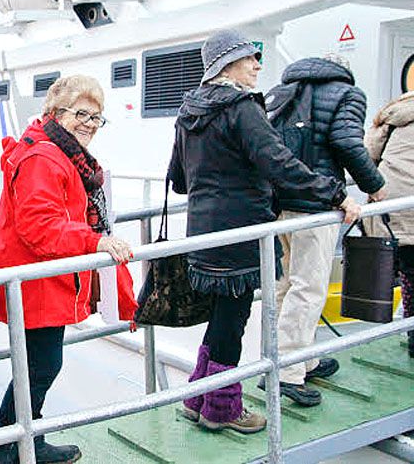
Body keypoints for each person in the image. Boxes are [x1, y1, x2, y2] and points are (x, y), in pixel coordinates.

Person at [168, 29, 360, 434]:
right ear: (227, 65)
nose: (258, 65)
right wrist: (334, 193)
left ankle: (197, 397)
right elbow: (280, 164)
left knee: (221, 315)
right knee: (232, 320)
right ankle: (222, 409)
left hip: (203, 231)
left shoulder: (189, 110)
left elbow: (179, 178)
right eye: (249, 58)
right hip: (241, 230)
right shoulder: (242, 106)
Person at [0, 75, 137, 464]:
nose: (90, 125)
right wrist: (94, 241)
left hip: (38, 277)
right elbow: (40, 225)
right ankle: (3, 450)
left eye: (97, 118)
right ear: (54, 113)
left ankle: (19, 442)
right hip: (35, 279)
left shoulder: (51, 150)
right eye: (81, 114)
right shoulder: (44, 157)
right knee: (42, 364)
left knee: (36, 365)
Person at [270, 54, 387, 405]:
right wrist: (374, 183)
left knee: (286, 284)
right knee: (309, 287)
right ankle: (288, 373)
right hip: (317, 205)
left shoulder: (283, 91)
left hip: (279, 203)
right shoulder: (347, 93)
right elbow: (347, 143)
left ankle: (300, 359)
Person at [365, 91, 414, 357]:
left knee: (409, 270)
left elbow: (368, 155)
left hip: (391, 207)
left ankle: (412, 334)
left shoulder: (396, 114)